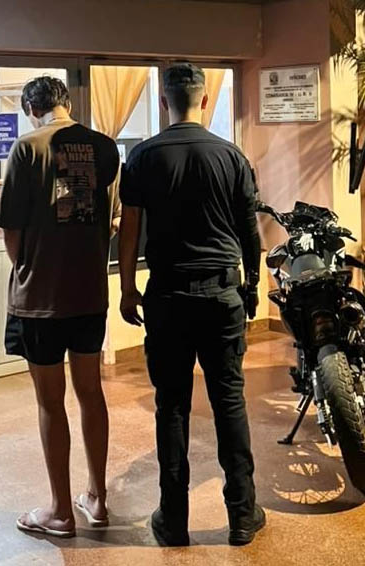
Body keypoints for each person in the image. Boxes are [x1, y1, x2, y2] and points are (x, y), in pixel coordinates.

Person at [118, 62, 264, 546]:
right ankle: (242, 515)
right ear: (203, 100)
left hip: (167, 296)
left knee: (172, 406)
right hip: (222, 294)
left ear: (164, 102)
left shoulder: (142, 157)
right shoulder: (231, 156)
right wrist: (252, 285)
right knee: (229, 402)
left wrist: (127, 288)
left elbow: (130, 230)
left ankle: (174, 519)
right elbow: (249, 231)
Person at [0, 76, 120, 537]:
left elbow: (11, 230)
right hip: (89, 294)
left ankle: (61, 511)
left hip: (41, 300)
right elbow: (110, 220)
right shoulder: (105, 148)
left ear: (32, 109)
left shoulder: (28, 148)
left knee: (51, 402)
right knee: (91, 392)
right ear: (66, 103)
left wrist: (30, 267)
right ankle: (98, 499)